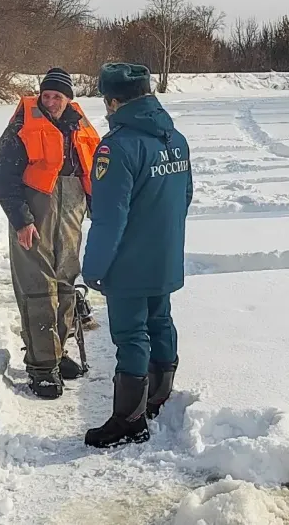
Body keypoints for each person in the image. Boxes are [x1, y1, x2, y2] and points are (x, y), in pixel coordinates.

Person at [81, 62, 193, 449]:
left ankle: (129, 420)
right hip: (164, 252)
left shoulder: (118, 146)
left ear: (113, 101)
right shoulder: (174, 138)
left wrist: (94, 267)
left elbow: (109, 218)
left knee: (130, 335)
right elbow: (185, 196)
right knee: (160, 320)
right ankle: (157, 397)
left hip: (128, 260)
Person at [0, 67, 102, 399]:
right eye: (47, 95)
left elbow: (93, 173)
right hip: (33, 214)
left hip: (71, 212)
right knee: (38, 287)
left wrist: (98, 213)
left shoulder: (79, 126)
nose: (51, 101)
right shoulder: (21, 127)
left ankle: (56, 352)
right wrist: (21, 220)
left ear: (68, 98)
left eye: (58, 96)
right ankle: (41, 367)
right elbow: (3, 179)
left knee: (66, 281)